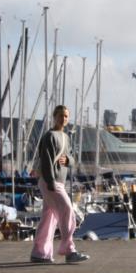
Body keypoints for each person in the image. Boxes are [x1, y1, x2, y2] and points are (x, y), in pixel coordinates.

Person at [31, 105, 89, 264]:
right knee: (68, 210)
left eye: (66, 116)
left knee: (49, 218)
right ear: (54, 116)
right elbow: (46, 162)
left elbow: (73, 158)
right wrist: (50, 182)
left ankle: (39, 253)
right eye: (61, 115)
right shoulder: (49, 136)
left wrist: (68, 160)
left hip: (59, 182)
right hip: (51, 182)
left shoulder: (66, 137)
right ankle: (69, 250)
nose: (63, 119)